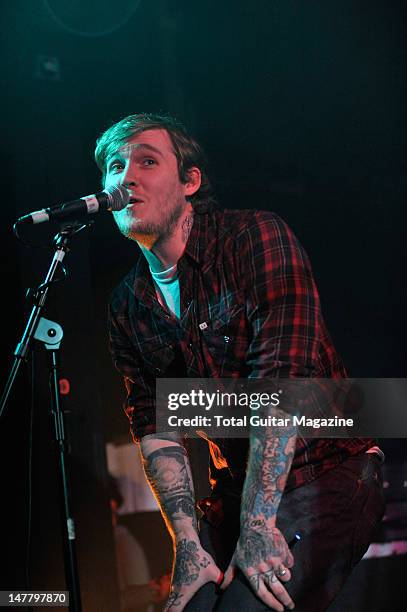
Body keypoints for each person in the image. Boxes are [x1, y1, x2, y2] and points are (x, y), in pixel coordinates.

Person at [94, 112, 385, 612]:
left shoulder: (253, 238)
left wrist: (256, 526)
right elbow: (154, 423)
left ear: (190, 181)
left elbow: (282, 386)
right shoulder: (128, 303)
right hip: (232, 491)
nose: (126, 177)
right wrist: (188, 544)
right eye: (115, 166)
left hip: (328, 472)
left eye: (146, 161)